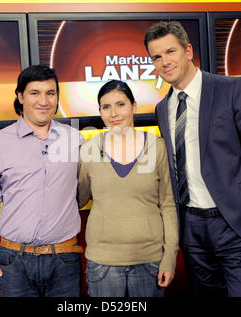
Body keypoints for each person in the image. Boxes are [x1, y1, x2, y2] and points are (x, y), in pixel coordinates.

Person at [144, 21, 241, 297]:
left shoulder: (233, 89)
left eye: (170, 51)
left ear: (188, 51)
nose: (164, 62)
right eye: (156, 57)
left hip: (239, 229)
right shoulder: (162, 108)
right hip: (193, 231)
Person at [0, 65, 84, 297]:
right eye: (34, 93)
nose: (43, 101)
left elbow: (83, 192)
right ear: (21, 96)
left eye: (50, 93)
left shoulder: (75, 139)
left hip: (65, 259)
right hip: (14, 263)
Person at [78, 80, 179, 297]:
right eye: (106, 107)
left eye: (120, 105)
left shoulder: (157, 147)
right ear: (100, 112)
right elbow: (79, 199)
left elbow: (169, 204)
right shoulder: (89, 150)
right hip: (103, 263)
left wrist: (170, 256)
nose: (114, 113)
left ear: (134, 106)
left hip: (149, 261)